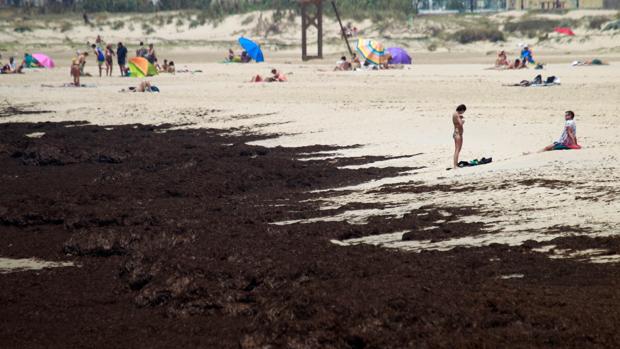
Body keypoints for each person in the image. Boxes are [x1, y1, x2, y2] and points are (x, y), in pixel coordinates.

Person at [452, 104, 467, 169]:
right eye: (463, 111)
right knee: (457, 150)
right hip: (457, 134)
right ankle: (455, 165)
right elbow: (460, 124)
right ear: (462, 110)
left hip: (459, 134)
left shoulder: (456, 114)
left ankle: (456, 163)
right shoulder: (456, 115)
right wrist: (462, 121)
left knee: (458, 149)